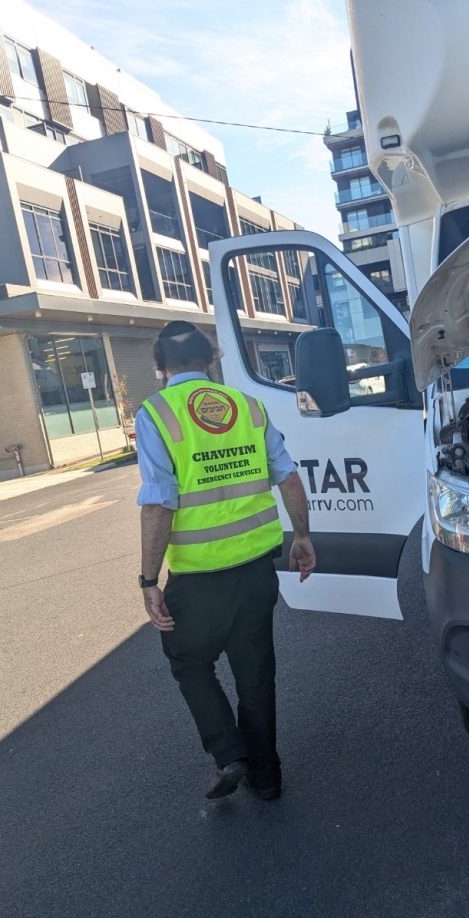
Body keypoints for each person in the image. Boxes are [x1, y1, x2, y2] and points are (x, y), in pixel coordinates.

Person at [135, 320, 316, 801]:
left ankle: (229, 752)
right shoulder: (248, 406)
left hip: (198, 578)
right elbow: (288, 477)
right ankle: (266, 778)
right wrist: (302, 535)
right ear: (210, 358)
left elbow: (158, 504)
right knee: (255, 674)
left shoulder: (156, 413)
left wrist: (149, 580)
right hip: (256, 569)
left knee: (189, 662)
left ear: (160, 366)